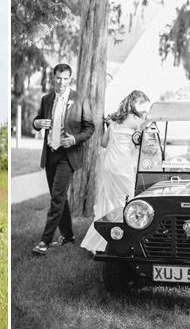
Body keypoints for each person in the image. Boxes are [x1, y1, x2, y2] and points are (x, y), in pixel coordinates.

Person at [32, 63, 95, 255]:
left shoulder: (80, 99)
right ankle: (68, 236)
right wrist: (37, 123)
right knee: (58, 197)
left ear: (70, 79)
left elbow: (89, 128)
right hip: (51, 152)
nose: (61, 82)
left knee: (57, 198)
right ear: (54, 78)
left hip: (68, 155)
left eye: (65, 78)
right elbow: (36, 122)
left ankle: (44, 241)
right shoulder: (46, 99)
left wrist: (74, 139)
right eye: (58, 78)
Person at [80, 90, 150, 253]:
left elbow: (104, 143)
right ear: (137, 105)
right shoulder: (138, 122)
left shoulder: (114, 122)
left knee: (108, 202)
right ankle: (124, 241)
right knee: (126, 202)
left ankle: (101, 242)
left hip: (110, 166)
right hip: (124, 167)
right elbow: (143, 146)